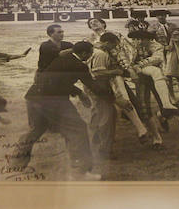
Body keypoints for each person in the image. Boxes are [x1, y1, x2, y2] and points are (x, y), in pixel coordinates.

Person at [11, 41, 108, 180]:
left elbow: (56, 81)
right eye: (90, 53)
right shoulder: (80, 66)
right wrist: (112, 96)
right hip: (53, 100)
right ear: (84, 53)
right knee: (78, 129)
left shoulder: (59, 60)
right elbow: (93, 86)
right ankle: (80, 172)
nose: (91, 55)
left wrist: (79, 93)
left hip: (33, 97)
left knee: (35, 130)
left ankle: (14, 166)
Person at [87, 32, 149, 167]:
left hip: (100, 86)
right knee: (106, 116)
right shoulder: (100, 53)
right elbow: (97, 74)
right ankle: (102, 149)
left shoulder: (98, 51)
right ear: (107, 43)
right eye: (113, 45)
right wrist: (116, 72)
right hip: (101, 87)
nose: (115, 48)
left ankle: (97, 143)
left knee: (99, 115)